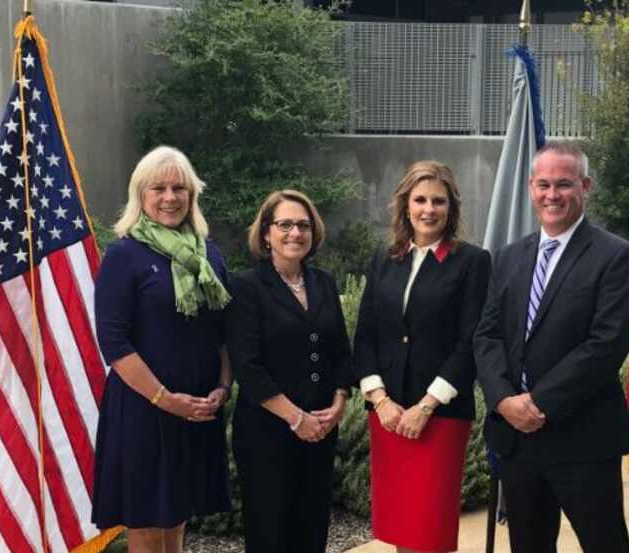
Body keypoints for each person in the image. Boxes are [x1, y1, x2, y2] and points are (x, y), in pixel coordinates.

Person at [474, 141, 629, 553]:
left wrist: (538, 402)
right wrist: (503, 401)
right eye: (543, 184)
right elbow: (487, 334)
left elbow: (605, 345)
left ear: (585, 186)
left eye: (564, 184)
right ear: (531, 187)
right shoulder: (510, 257)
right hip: (517, 439)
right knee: (528, 546)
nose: (552, 195)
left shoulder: (616, 256)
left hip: (582, 435)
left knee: (605, 545)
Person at [92, 146, 232, 552]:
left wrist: (222, 389)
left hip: (198, 409)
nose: (170, 197)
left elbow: (222, 330)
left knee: (178, 517)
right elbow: (114, 343)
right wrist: (165, 399)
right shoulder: (123, 255)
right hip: (143, 408)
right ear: (141, 194)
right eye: (159, 188)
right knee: (149, 524)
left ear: (192, 195)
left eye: (179, 188)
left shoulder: (209, 256)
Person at [354, 161, 491, 553]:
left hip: (440, 417)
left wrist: (425, 407)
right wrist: (380, 401)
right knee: (401, 528)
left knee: (429, 530)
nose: (428, 209)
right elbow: (365, 336)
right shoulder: (385, 259)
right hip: (388, 415)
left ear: (452, 208)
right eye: (420, 200)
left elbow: (470, 342)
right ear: (405, 205)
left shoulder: (471, 262)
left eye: (438, 201)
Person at [226, 190, 352, 553]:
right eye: (284, 225)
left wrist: (340, 400)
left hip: (320, 431)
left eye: (303, 225)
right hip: (268, 435)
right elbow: (247, 367)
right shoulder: (245, 287)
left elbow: (341, 352)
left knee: (311, 532)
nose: (294, 233)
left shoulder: (323, 283)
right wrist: (296, 419)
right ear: (266, 233)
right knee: (271, 536)